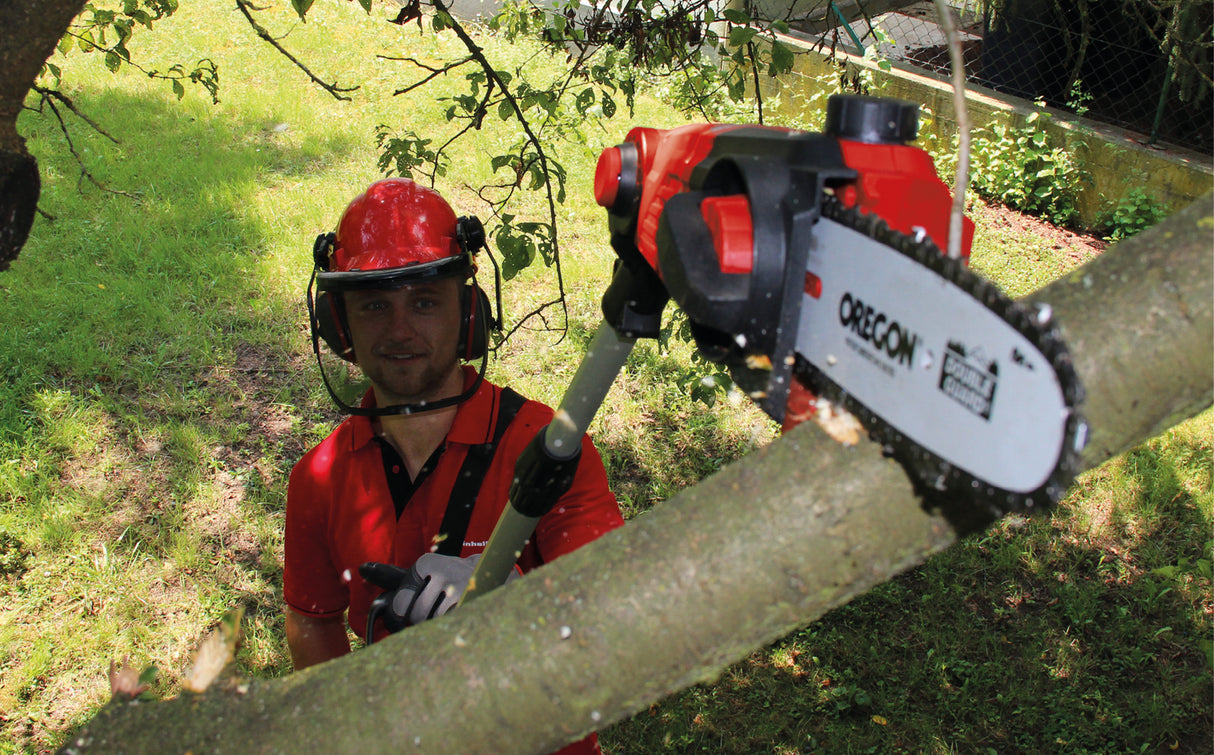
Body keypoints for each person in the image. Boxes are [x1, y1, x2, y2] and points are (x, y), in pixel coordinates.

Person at [283, 177, 624, 754]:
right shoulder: (319, 478)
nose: (399, 331)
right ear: (339, 327)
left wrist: (513, 600)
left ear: (468, 314)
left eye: (424, 302)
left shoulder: (547, 448)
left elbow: (616, 615)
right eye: (372, 306)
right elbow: (313, 619)